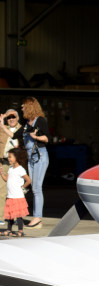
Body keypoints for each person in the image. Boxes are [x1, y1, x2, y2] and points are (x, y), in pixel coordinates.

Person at [14, 97, 49, 229]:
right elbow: (13, 135)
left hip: (40, 156)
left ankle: (37, 218)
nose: (22, 108)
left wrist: (35, 137)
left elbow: (46, 138)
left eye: (23, 106)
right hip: (32, 158)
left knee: (36, 188)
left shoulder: (40, 120)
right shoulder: (27, 123)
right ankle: (35, 217)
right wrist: (2, 124)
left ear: (29, 106)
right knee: (33, 187)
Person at [0, 148, 31, 237]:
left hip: (18, 196)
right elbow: (6, 179)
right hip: (10, 196)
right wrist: (1, 173)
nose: (9, 159)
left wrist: (22, 187)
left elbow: (28, 180)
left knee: (18, 215)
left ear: (17, 158)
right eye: (8, 157)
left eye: (10, 157)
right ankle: (8, 230)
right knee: (10, 216)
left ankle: (20, 231)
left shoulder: (20, 169)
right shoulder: (10, 169)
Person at [0, 109, 22, 225]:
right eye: (9, 117)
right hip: (4, 163)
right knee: (2, 190)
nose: (11, 119)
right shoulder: (2, 129)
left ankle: (16, 217)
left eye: (13, 116)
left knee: (17, 191)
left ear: (18, 118)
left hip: (17, 165)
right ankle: (1, 217)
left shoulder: (22, 129)